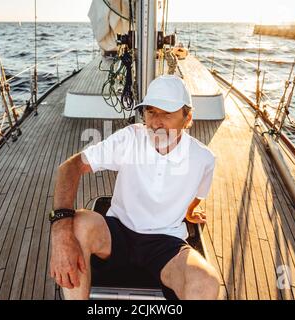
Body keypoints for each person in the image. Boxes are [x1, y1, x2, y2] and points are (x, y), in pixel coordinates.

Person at [49, 75, 220, 300]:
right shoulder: (131, 138)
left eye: (167, 113)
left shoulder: (204, 159)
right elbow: (71, 167)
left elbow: (198, 195)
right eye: (150, 111)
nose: (156, 122)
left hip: (165, 244)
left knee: (206, 283)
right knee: (78, 223)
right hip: (117, 231)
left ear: (187, 118)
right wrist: (60, 233)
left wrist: (190, 211)